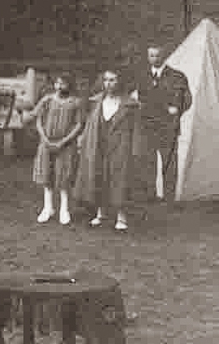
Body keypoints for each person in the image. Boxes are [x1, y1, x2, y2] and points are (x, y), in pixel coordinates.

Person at [74, 70, 140, 232]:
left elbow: (136, 130)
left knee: (119, 179)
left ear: (120, 81)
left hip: (120, 145)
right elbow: (89, 123)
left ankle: (121, 216)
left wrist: (134, 149)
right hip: (99, 143)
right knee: (99, 175)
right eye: (106, 80)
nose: (109, 84)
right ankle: (100, 212)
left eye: (113, 80)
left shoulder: (130, 104)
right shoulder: (96, 102)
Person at [135, 44, 192, 204]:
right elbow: (141, 99)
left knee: (169, 165)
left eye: (157, 55)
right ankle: (150, 197)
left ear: (164, 56)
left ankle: (169, 200)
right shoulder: (143, 76)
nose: (154, 59)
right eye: (151, 55)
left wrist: (177, 109)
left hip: (168, 128)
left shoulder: (177, 76)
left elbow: (187, 99)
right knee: (148, 164)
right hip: (148, 127)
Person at [30, 73, 86, 225]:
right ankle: (47, 208)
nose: (59, 87)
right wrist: (44, 138)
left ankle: (64, 209)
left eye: (63, 84)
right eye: (57, 83)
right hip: (47, 144)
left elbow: (79, 124)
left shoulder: (76, 102)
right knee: (46, 175)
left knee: (64, 176)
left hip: (66, 146)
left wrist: (63, 141)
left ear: (69, 85)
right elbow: (39, 120)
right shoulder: (47, 100)